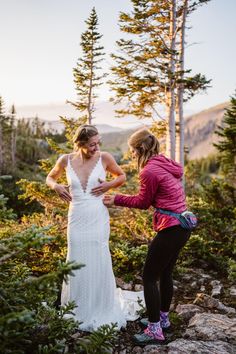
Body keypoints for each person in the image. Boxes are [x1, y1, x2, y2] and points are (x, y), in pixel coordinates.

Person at [46, 124, 143, 332]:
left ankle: (100, 307)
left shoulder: (104, 157)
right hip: (76, 217)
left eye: (98, 142)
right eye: (92, 144)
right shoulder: (65, 160)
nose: (96, 147)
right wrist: (56, 186)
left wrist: (108, 186)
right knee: (76, 258)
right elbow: (50, 177)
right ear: (80, 144)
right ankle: (76, 307)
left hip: (97, 217)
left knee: (98, 257)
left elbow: (121, 176)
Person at [103, 128, 191, 345]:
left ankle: (154, 331)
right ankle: (163, 319)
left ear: (140, 148)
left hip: (171, 228)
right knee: (166, 273)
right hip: (183, 225)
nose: (131, 154)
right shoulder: (163, 162)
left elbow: (143, 202)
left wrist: (116, 199)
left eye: (132, 150)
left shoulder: (149, 171)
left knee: (149, 277)